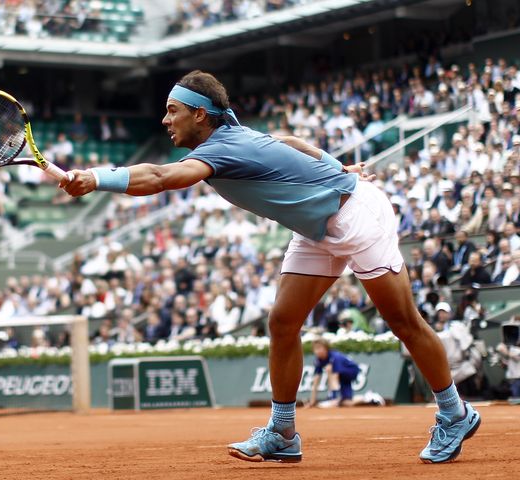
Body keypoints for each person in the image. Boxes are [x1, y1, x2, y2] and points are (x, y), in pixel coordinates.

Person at [61, 70, 480, 464]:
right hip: (317, 226)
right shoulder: (234, 134)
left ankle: (454, 413)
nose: (165, 119)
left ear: (200, 114)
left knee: (404, 321)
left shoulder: (222, 147)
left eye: (174, 110)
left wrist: (98, 178)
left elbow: (158, 176)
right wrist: (335, 165)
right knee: (282, 323)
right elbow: (291, 140)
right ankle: (282, 432)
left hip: (356, 216)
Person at [306, 338, 361, 407]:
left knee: (329, 369)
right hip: (342, 376)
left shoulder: (335, 357)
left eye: (319, 348)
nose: (317, 351)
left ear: (326, 348)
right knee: (346, 403)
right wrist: (312, 401)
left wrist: (334, 398)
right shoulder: (318, 360)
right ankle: (368, 399)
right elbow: (316, 380)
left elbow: (335, 378)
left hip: (351, 371)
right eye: (315, 349)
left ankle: (334, 398)